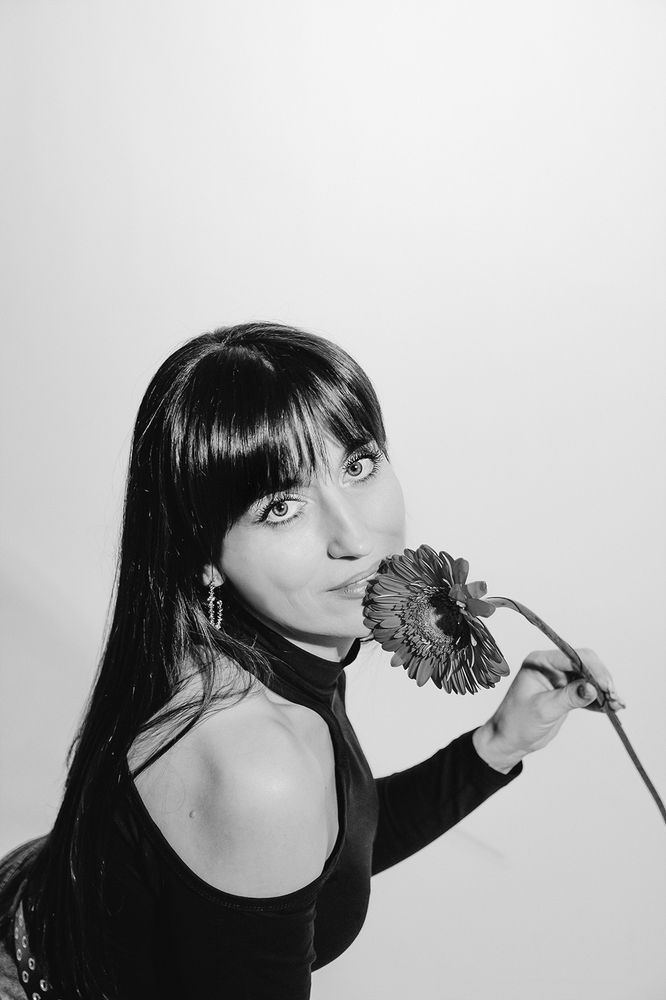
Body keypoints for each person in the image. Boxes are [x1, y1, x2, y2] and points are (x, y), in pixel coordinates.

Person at [0, 322, 624, 999]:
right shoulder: (255, 763)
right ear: (203, 556)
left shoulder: (261, 651)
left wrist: (500, 744)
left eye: (357, 466)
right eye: (280, 507)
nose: (354, 537)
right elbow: (288, 825)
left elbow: (329, 847)